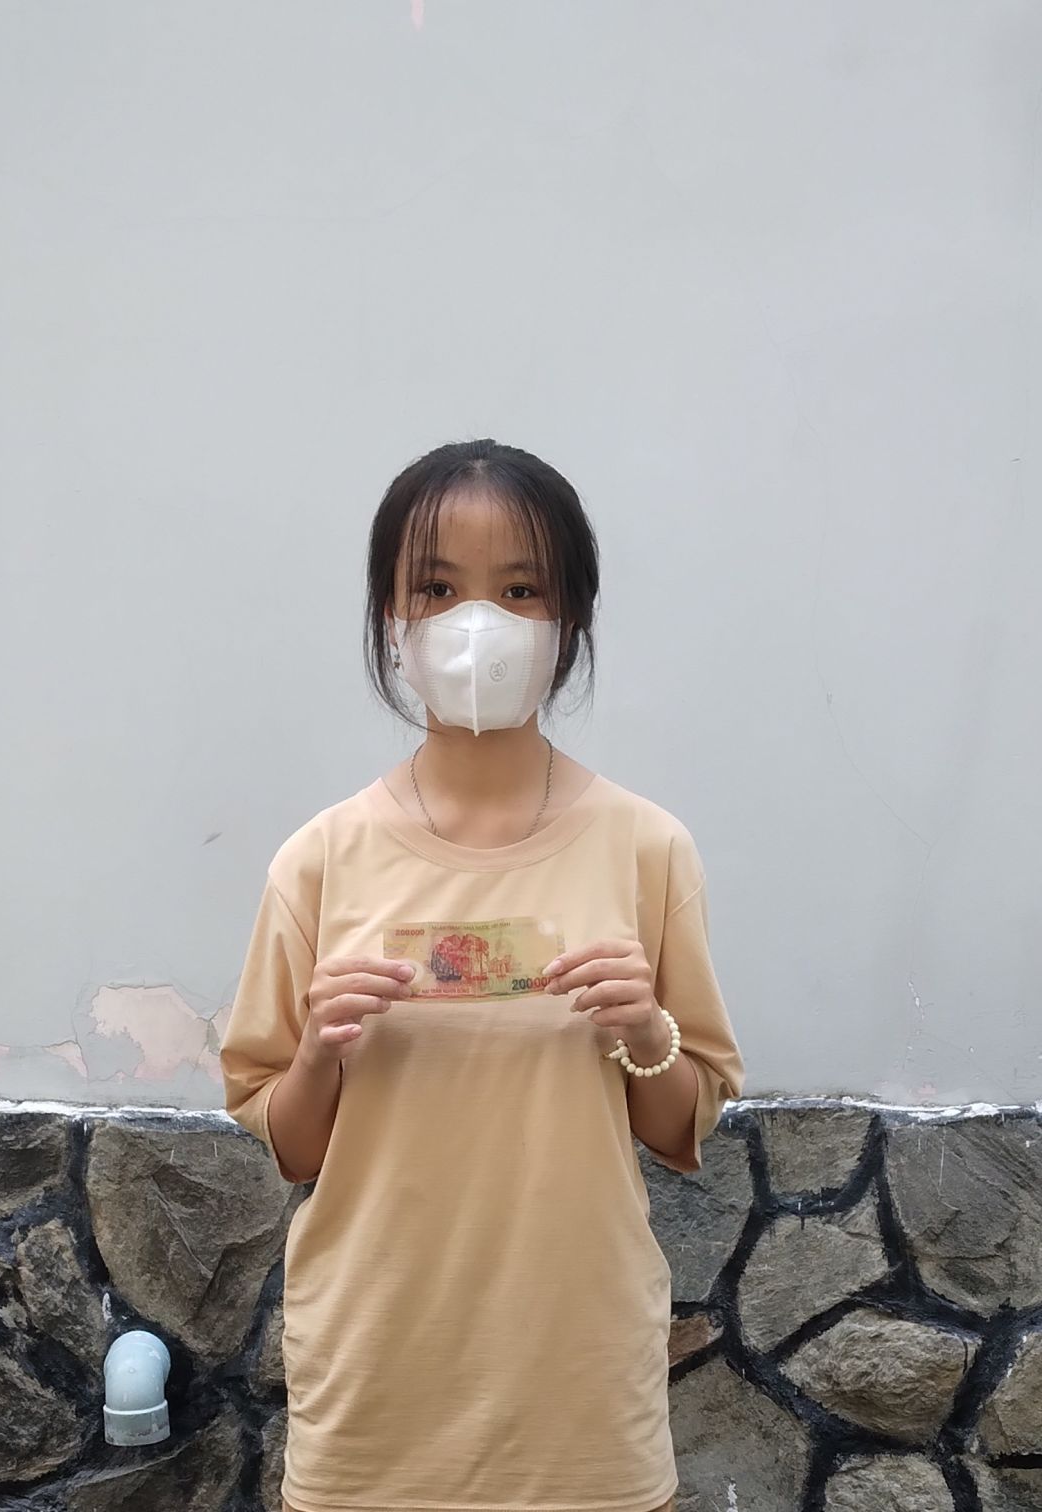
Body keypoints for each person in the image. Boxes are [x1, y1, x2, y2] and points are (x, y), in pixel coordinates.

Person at [220, 439, 745, 1512]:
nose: (477, 625)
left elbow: (681, 1131)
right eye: (437, 588)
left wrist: (646, 1031)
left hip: (580, 1394)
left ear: (571, 618)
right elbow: (291, 1147)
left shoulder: (647, 851)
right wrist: (319, 1052)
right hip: (374, 1386)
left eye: (519, 590)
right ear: (389, 614)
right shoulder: (319, 861)